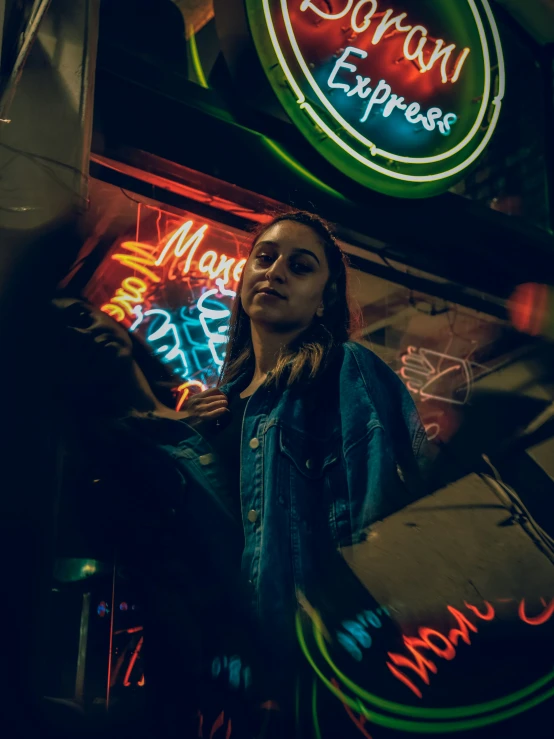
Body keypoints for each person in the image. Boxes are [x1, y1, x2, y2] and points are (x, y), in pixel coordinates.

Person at [182, 211, 437, 726]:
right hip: (232, 682)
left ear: (325, 298)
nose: (275, 272)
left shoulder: (345, 370)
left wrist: (350, 645)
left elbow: (382, 515)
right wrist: (188, 438)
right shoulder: (221, 410)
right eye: (265, 257)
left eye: (300, 266)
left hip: (321, 678)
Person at [49, 296, 270, 738]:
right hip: (222, 664)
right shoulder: (101, 461)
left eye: (80, 316)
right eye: (60, 336)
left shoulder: (209, 420)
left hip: (282, 640)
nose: (81, 332)